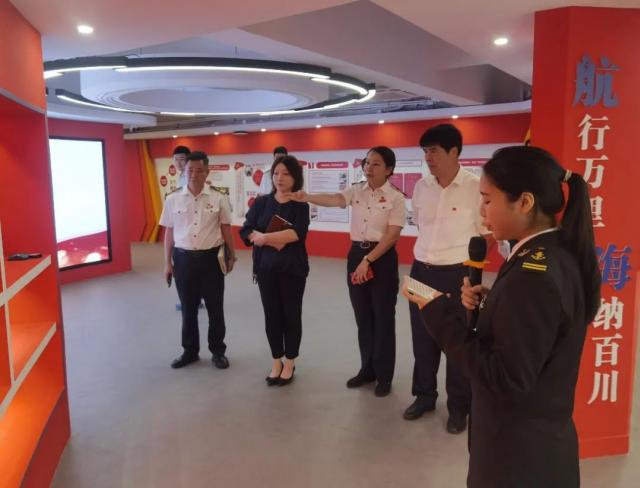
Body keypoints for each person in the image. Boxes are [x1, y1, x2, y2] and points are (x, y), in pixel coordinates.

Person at [403, 145, 600, 487]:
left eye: (487, 199)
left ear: (524, 202)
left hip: (516, 460)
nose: (482, 212)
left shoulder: (533, 277)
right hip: (538, 447)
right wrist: (494, 303)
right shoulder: (553, 253)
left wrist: (435, 310)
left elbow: (503, 379)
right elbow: (538, 331)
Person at [289, 146, 405, 397]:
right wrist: (306, 197)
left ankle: (384, 376)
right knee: (363, 317)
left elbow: (392, 236)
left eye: (376, 164)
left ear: (389, 170)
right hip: (356, 255)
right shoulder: (356, 190)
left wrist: (368, 260)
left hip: (381, 259)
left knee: (383, 318)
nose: (369, 167)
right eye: (367, 162)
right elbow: (335, 199)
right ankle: (367, 370)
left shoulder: (396, 197)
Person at [404, 124, 494, 434]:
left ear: (454, 152)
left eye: (434, 151)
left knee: (457, 344)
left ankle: (458, 408)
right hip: (421, 271)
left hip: (457, 275)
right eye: (425, 151)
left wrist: (472, 273)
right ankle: (424, 396)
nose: (428, 157)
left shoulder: (475, 187)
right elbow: (421, 225)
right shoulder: (421, 187)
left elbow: (486, 234)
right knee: (422, 339)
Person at [159, 151, 237, 369]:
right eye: (190, 170)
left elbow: (226, 228)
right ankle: (190, 351)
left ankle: (218, 351)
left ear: (207, 172)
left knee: (215, 309)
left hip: (211, 260)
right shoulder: (172, 199)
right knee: (188, 309)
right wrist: (167, 263)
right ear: (184, 171)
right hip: (183, 260)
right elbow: (169, 232)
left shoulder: (218, 198)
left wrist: (232, 254)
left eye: (199, 170)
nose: (194, 174)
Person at [240, 155, 309, 386]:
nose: (280, 178)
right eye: (276, 173)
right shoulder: (261, 203)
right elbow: (246, 229)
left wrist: (265, 238)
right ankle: (276, 360)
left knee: (291, 315)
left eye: (286, 174)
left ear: (295, 177)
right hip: (265, 269)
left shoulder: (301, 205)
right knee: (272, 316)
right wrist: (255, 236)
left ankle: (290, 361)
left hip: (292, 270)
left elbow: (297, 233)